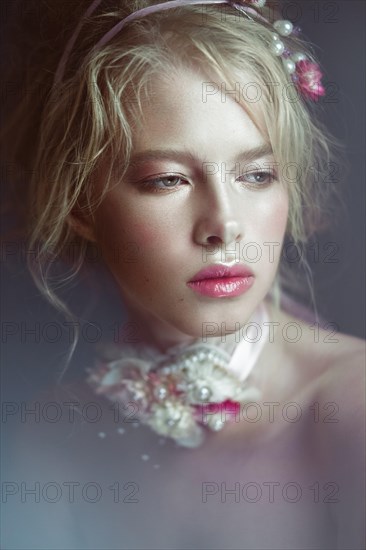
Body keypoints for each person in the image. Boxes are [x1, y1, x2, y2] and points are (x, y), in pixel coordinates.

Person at [1, 1, 365, 548]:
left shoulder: (350, 409)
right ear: (80, 205)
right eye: (166, 180)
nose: (223, 224)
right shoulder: (50, 437)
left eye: (258, 174)